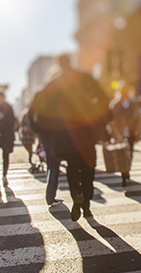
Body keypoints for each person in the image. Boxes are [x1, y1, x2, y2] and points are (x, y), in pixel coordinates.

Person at [39, 54, 110, 221]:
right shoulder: (85, 78)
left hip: (65, 135)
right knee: (87, 169)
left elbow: (42, 110)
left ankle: (77, 196)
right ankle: (86, 207)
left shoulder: (54, 84)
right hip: (86, 131)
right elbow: (104, 99)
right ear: (70, 62)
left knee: (72, 168)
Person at [29, 67, 64, 208]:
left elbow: (31, 113)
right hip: (57, 131)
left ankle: (50, 196)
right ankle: (50, 197)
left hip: (45, 132)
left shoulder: (40, 93)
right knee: (55, 162)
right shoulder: (60, 93)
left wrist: (37, 129)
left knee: (52, 162)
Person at [108, 83, 141, 186]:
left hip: (131, 131)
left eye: (127, 90)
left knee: (130, 152)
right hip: (120, 132)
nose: (125, 92)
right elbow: (111, 117)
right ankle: (124, 173)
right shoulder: (115, 103)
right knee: (121, 153)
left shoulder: (133, 103)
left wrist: (138, 128)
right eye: (124, 90)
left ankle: (127, 168)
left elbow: (138, 117)